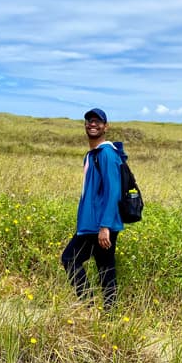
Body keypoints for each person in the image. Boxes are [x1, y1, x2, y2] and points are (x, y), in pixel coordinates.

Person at [61, 107, 124, 309]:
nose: (92, 124)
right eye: (89, 120)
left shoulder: (106, 154)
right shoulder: (92, 155)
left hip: (100, 225)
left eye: (98, 121)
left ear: (106, 126)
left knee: (70, 258)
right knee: (105, 268)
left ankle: (87, 304)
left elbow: (113, 191)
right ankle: (110, 315)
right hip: (94, 224)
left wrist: (104, 226)